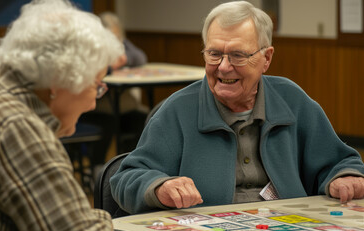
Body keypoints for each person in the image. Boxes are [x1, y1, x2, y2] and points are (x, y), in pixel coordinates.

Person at [110, 1, 364, 215]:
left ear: (266, 58)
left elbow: (339, 162)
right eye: (214, 54)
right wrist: (159, 187)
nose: (223, 66)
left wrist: (343, 177)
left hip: (289, 226)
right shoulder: (177, 111)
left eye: (237, 56)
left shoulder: (292, 101)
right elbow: (126, 178)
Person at [0, 0, 123, 231]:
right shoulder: (20, 130)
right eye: (96, 86)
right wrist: (103, 221)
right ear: (60, 80)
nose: (93, 103)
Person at [80, 12, 148, 167]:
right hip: (97, 107)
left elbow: (140, 57)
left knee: (144, 118)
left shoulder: (123, 46)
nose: (115, 41)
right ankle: (97, 167)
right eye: (111, 36)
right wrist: (111, 66)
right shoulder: (92, 49)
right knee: (108, 122)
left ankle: (131, 164)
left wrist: (125, 60)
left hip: (124, 106)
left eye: (118, 37)